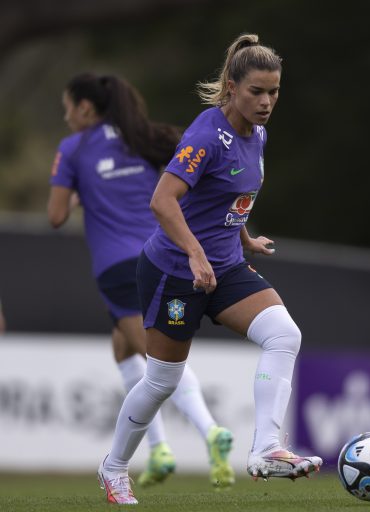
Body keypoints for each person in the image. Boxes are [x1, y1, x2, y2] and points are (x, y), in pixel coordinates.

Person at [96, 33, 323, 505]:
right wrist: (197, 255)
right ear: (232, 89)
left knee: (284, 335)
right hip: (174, 273)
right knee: (162, 380)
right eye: (257, 91)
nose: (266, 102)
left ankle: (265, 449)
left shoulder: (257, 134)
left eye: (274, 91)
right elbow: (163, 201)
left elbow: (225, 198)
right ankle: (114, 468)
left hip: (225, 267)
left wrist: (244, 238)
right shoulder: (207, 134)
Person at [47, 73, 235, 494]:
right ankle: (161, 447)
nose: (65, 116)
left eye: (68, 106)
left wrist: (80, 192)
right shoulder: (146, 138)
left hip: (117, 268)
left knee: (159, 364)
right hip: (162, 258)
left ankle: (208, 431)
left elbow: (55, 216)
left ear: (86, 108)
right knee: (123, 344)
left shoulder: (73, 149)